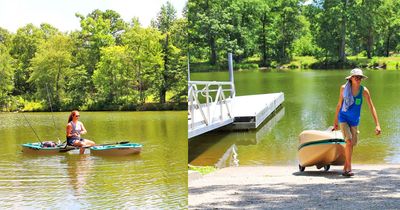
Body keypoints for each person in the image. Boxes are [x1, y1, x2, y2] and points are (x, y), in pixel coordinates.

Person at [333, 68, 381, 177]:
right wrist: (335, 121)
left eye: (360, 77)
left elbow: (371, 106)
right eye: (356, 77)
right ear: (351, 78)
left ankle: (345, 167)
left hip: (354, 120)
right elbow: (339, 105)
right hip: (343, 118)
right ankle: (349, 169)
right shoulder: (343, 88)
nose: (358, 79)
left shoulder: (363, 90)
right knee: (349, 141)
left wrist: (377, 124)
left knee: (351, 145)